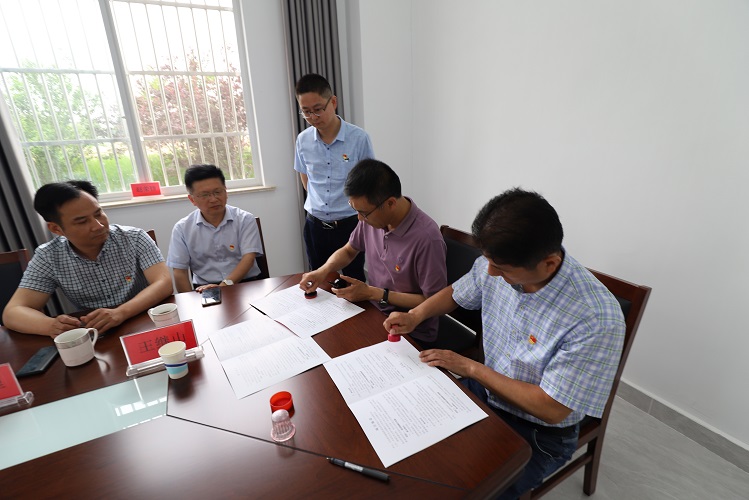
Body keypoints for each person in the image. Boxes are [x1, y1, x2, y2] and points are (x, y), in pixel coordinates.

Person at [384, 188, 626, 499]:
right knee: (410, 443)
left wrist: (471, 368)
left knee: (468, 490)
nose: (490, 272)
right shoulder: (499, 263)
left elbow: (552, 409)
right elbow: (458, 291)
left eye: (502, 269)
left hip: (538, 433)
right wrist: (415, 315)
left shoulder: (595, 318)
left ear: (549, 264)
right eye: (488, 261)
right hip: (484, 394)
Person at [300, 159, 446, 346]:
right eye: (355, 210)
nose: (359, 218)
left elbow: (433, 302)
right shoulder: (372, 219)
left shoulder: (427, 238)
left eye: (364, 213)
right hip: (374, 312)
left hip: (410, 330)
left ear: (390, 203)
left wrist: (373, 293)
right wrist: (323, 270)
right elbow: (349, 250)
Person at [2, 180, 172, 337]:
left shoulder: (134, 238)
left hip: (145, 321)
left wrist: (121, 312)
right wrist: (51, 326)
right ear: (56, 229)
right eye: (82, 222)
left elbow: (164, 282)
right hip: (95, 333)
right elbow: (13, 312)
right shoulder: (48, 257)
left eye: (98, 214)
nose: (98, 226)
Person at [294, 73, 375, 282]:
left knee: (353, 282)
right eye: (306, 112)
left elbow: (369, 181)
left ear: (333, 102)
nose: (313, 117)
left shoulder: (359, 138)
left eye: (318, 109)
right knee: (319, 281)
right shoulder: (303, 140)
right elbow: (306, 178)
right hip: (315, 225)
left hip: (350, 225)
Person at [167, 164, 265, 293]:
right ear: (192, 199)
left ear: (226, 192)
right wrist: (189, 301)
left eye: (218, 192)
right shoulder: (182, 228)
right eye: (205, 195)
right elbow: (179, 272)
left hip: (246, 285)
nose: (213, 199)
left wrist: (222, 287)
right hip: (203, 289)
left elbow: (248, 259)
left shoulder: (245, 219)